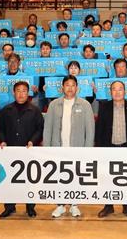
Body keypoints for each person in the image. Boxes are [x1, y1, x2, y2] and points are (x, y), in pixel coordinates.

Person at [43, 76, 95, 218]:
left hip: (77, 149)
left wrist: (87, 150)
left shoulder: (85, 105)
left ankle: (74, 205)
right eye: (67, 85)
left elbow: (90, 130)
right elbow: (47, 129)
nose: (70, 88)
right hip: (58, 148)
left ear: (77, 88)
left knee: (76, 177)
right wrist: (47, 149)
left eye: (73, 85)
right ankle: (60, 205)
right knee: (59, 177)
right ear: (62, 88)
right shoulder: (54, 105)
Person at [0, 82, 44, 218]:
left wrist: (32, 141)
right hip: (10, 150)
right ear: (13, 92)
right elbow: (0, 129)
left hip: (29, 150)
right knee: (9, 179)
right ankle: (9, 207)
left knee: (29, 180)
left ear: (28, 93)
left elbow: (40, 129)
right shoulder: (6, 110)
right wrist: (3, 140)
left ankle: (30, 207)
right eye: (18, 90)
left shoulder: (35, 110)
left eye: (24, 91)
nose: (21, 94)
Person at [95, 81, 127, 218]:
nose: (117, 92)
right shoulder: (104, 107)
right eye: (114, 89)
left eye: (120, 89)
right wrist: (100, 149)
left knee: (126, 178)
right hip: (109, 148)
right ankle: (108, 206)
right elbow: (99, 130)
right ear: (110, 92)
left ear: (125, 92)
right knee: (108, 178)